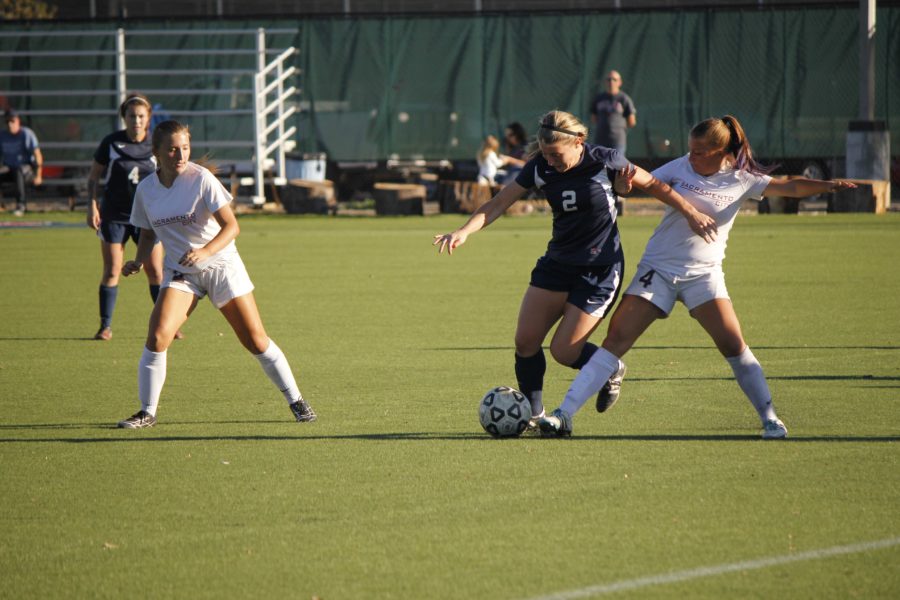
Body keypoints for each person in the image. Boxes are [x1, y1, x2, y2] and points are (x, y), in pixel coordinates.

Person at [538, 115, 858, 439]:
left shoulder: (742, 178)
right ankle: (564, 414)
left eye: (700, 152)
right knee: (616, 339)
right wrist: (624, 185)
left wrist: (827, 185)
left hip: (704, 275)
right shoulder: (679, 168)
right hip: (657, 270)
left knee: (733, 344)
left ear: (721, 151)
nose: (692, 157)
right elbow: (641, 184)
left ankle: (771, 419)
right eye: (690, 150)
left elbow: (788, 185)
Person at [434, 110, 716, 426]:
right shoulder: (540, 167)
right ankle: (534, 415)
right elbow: (498, 203)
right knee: (525, 342)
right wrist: (463, 231)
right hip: (557, 263)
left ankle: (611, 367)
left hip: (600, 269)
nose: (551, 161)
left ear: (578, 141)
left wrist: (691, 212)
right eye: (545, 154)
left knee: (565, 352)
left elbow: (654, 185)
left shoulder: (605, 159)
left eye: (556, 154)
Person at [116, 120, 316, 428]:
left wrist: (206, 252)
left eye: (184, 148)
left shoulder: (201, 179)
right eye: (171, 149)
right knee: (157, 337)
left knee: (255, 340)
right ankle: (147, 411)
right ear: (155, 152)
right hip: (183, 272)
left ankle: (297, 400)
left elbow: (232, 227)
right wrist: (139, 261)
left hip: (221, 266)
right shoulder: (147, 190)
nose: (180, 155)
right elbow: (146, 235)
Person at [86, 93, 180, 341]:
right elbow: (94, 178)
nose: (136, 120)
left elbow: (171, 176)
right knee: (112, 270)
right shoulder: (111, 143)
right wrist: (92, 206)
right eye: (131, 116)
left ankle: (168, 325)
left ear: (148, 118)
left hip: (148, 218)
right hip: (114, 216)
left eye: (141, 116)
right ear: (124, 118)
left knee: (156, 272)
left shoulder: (156, 144)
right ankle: (105, 326)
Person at [0, 109, 43, 216]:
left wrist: (38, 175)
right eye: (7, 122)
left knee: (18, 171)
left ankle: (21, 205)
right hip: (9, 168)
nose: (10, 124)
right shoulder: (2, 136)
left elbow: (38, 155)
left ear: (18, 121)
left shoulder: (26, 134)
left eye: (12, 121)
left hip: (26, 170)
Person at [589, 70, 637, 153]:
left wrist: (618, 128)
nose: (611, 82)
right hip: (600, 141)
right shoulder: (599, 98)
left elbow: (631, 122)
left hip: (617, 142)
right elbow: (594, 119)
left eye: (614, 79)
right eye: (609, 79)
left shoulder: (624, 99)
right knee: (600, 165)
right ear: (605, 82)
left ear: (620, 82)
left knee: (616, 165)